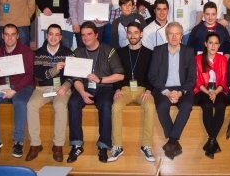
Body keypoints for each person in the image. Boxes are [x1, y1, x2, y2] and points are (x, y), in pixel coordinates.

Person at [67, 21, 124, 163]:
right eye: (83, 35)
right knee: (73, 102)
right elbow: (75, 78)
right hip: (84, 87)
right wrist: (82, 93)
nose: (86, 38)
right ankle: (76, 144)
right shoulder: (78, 52)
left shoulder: (108, 50)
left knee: (105, 104)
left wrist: (100, 79)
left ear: (96, 35)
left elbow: (120, 75)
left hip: (104, 87)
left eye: (89, 34)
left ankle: (103, 146)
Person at [0, 24, 34, 158]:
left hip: (23, 86)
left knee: (20, 102)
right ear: (2, 36)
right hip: (4, 86)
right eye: (6, 34)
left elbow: (29, 76)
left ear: (17, 36)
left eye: (12, 34)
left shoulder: (26, 51)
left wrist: (15, 90)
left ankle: (18, 141)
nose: (9, 38)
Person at [108, 22, 156, 162]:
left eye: (136, 32)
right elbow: (115, 72)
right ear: (126, 34)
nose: (133, 35)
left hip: (143, 90)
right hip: (125, 89)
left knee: (150, 107)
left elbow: (152, 75)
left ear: (141, 34)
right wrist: (116, 88)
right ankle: (117, 146)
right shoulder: (119, 52)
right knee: (115, 107)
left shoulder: (149, 53)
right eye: (130, 32)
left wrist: (149, 90)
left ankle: (146, 145)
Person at [148, 22, 196, 160]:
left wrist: (180, 92)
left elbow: (192, 78)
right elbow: (152, 75)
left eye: (177, 34)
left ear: (181, 36)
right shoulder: (158, 51)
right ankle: (173, 141)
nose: (174, 37)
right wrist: (167, 92)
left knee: (187, 106)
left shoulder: (188, 51)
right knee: (162, 106)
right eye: (171, 34)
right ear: (166, 36)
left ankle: (172, 140)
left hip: (182, 89)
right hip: (163, 88)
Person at [26, 24, 74, 162]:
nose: (53, 37)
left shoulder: (68, 53)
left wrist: (65, 86)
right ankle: (35, 144)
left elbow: (72, 75)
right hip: (43, 89)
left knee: (60, 106)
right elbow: (38, 76)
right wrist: (54, 70)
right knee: (31, 105)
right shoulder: (39, 53)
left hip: (62, 89)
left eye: (56, 34)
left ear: (61, 37)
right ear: (46, 36)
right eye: (50, 34)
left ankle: (58, 145)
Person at [193, 32, 228, 159]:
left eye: (216, 43)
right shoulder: (197, 59)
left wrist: (215, 92)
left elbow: (224, 80)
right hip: (202, 91)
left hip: (218, 90)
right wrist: (208, 92)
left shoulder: (223, 59)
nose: (213, 46)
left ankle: (211, 140)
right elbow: (196, 81)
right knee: (207, 106)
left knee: (220, 106)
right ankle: (213, 140)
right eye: (210, 43)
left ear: (219, 46)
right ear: (205, 44)